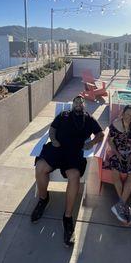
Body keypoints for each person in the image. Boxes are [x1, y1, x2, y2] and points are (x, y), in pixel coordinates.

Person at [31, 95, 104, 247]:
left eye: (81, 102)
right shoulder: (63, 115)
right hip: (57, 148)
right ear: (72, 105)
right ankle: (43, 199)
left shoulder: (89, 119)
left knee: (75, 176)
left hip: (74, 152)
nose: (78, 103)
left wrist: (91, 143)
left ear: (84, 105)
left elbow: (100, 134)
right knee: (40, 167)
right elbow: (52, 129)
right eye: (76, 101)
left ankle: (67, 217)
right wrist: (55, 140)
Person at [106, 105, 131, 225]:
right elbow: (110, 141)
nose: (129, 116)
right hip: (118, 153)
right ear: (123, 113)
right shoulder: (115, 125)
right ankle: (123, 206)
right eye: (127, 114)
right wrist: (118, 154)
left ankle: (120, 205)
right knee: (115, 173)